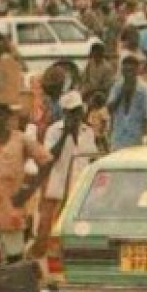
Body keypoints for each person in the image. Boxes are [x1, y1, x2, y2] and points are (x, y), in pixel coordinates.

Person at [0, 104, 52, 269]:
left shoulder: (21, 140)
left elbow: (46, 162)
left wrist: (29, 190)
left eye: (0, 115)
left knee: (15, 258)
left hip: (12, 209)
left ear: (8, 118)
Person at [35, 91, 100, 258]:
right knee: (51, 230)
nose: (75, 116)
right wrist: (65, 134)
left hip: (80, 190)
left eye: (77, 111)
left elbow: (91, 158)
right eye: (71, 112)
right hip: (58, 189)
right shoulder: (53, 131)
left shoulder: (87, 131)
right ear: (65, 113)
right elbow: (50, 157)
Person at [105, 56, 147, 151]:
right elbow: (110, 109)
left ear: (137, 71)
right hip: (118, 138)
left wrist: (145, 138)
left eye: (131, 70)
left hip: (135, 139)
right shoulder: (117, 87)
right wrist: (122, 92)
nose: (128, 74)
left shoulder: (144, 90)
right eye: (125, 70)